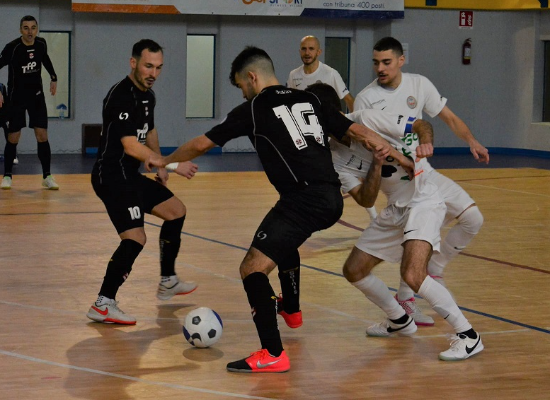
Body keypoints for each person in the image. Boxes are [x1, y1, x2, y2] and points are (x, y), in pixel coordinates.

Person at [146, 46, 414, 373]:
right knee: (281, 243)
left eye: (241, 86)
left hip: (303, 200)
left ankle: (272, 352)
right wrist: (400, 156)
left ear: (252, 77)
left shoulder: (254, 108)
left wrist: (165, 160)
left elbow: (202, 144)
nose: (242, 93)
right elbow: (357, 131)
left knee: (252, 269)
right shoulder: (310, 99)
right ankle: (292, 311)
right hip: (329, 197)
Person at [307, 82, 483, 361]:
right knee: (354, 269)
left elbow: (421, 125)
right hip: (394, 208)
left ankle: (468, 335)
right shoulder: (333, 155)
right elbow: (365, 199)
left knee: (413, 274)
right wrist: (376, 165)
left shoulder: (367, 118)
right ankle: (399, 319)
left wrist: (425, 143)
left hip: (423, 198)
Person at [353, 37, 489, 326]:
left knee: (473, 218)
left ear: (401, 61)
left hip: (425, 174)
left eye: (386, 62)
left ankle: (434, 269)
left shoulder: (419, 84)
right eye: (376, 63)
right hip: (399, 183)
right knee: (416, 238)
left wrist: (472, 141)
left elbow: (449, 118)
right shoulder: (366, 99)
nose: (380, 68)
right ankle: (407, 298)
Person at [86, 39, 199, 326]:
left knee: (176, 211)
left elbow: (149, 131)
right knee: (135, 237)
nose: (153, 73)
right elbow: (130, 146)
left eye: (159, 68)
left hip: (130, 175)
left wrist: (159, 164)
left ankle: (168, 280)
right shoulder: (120, 96)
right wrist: (172, 164)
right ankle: (103, 304)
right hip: (111, 176)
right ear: (133, 62)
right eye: (148, 66)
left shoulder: (148, 97)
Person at [287, 35, 378, 221]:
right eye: (304, 49)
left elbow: (349, 99)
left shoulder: (330, 74)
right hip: (309, 134)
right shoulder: (293, 75)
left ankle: (373, 214)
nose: (307, 52)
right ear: (299, 51)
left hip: (331, 132)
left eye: (311, 49)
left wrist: (354, 123)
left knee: (346, 170)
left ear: (319, 52)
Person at [0, 15, 59, 190]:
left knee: (42, 135)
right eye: (26, 28)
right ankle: (7, 176)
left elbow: (45, 58)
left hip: (36, 97)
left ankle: (47, 176)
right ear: (21, 30)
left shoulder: (41, 44)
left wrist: (53, 77)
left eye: (33, 28)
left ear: (37, 29)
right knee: (13, 137)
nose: (30, 32)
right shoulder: (12, 48)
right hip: (16, 98)